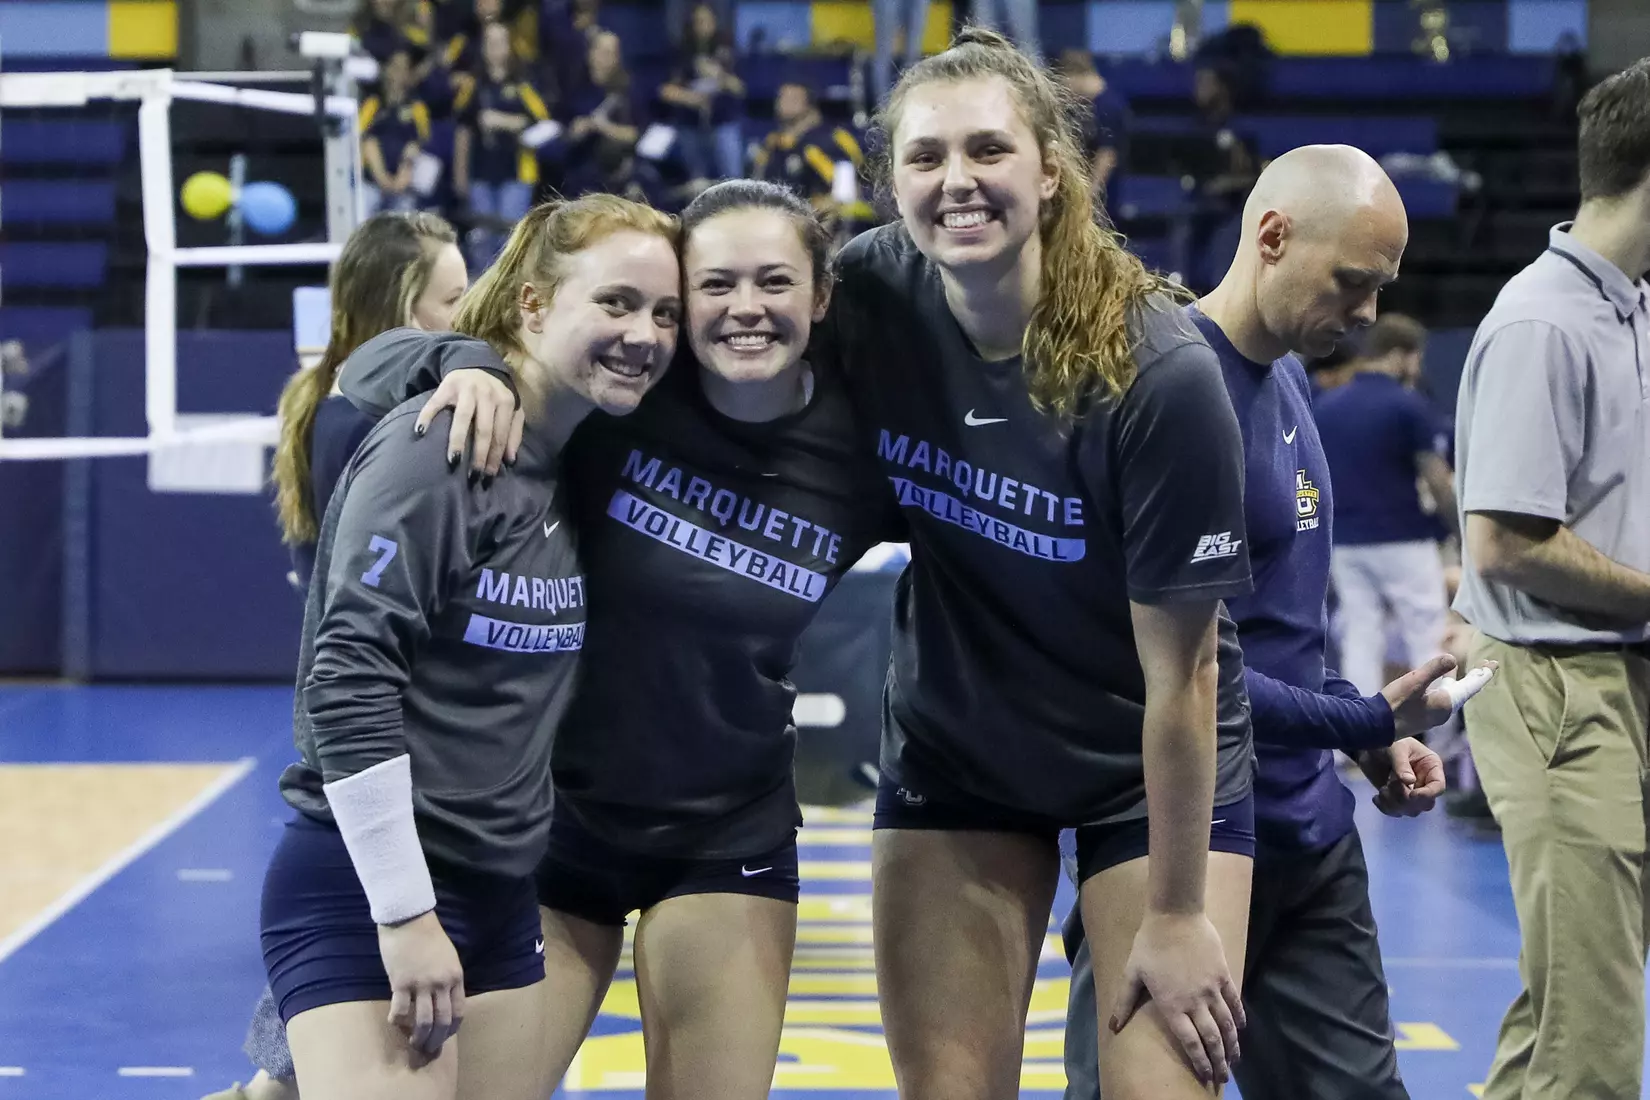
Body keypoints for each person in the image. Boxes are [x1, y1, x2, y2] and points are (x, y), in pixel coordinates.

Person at [828, 28, 1254, 1097]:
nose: (956, 181)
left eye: (988, 150)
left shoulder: (1157, 369)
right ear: (892, 181)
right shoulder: (868, 292)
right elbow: (680, 302)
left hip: (1143, 766)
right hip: (962, 747)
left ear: (1051, 171)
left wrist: (1176, 912)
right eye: (925, 157)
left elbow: (1186, 676)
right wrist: (468, 363)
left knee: (1159, 1087)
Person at [1061, 145, 1494, 1100]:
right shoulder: (1163, 385)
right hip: (1181, 846)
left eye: (1381, 289)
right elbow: (1177, 672)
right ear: (1271, 237)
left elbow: (1281, 632)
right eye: (1352, 282)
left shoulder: (1293, 379)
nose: (1368, 313)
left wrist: (1366, 735)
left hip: (1309, 839)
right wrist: (1365, 718)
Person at [257, 194, 681, 1100]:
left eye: (664, 313)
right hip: (373, 887)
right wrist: (405, 913)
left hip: (502, 893)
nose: (643, 333)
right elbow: (347, 679)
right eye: (615, 302)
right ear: (532, 303)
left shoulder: (576, 454)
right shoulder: (446, 445)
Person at [204, 211, 469, 1100]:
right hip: (386, 704)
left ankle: (268, 1087)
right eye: (452, 300)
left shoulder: (323, 396)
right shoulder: (378, 419)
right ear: (402, 307)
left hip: (366, 693)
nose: (468, 317)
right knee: (372, 896)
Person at [1452, 58, 1650, 1100]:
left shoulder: (1629, 309)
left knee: (1569, 999)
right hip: (1556, 682)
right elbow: (1506, 543)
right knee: (1596, 1042)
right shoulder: (1545, 321)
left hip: (1614, 675)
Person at [1315, 313, 1457, 697]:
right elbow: (1437, 479)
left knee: (1361, 634)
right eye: (1416, 359)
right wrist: (1454, 527)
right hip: (1404, 538)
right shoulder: (1407, 406)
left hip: (1345, 542)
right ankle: (1439, 727)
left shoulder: (1326, 407)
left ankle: (1358, 725)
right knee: (1426, 632)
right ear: (1401, 354)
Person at [452, 21, 552, 270]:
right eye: (490, 42)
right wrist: (459, 173)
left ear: (509, 46)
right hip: (480, 171)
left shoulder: (523, 84)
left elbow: (544, 123)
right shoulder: (473, 85)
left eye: (500, 42)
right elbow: (463, 130)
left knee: (510, 237)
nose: (495, 48)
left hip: (517, 171)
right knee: (482, 238)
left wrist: (506, 121)